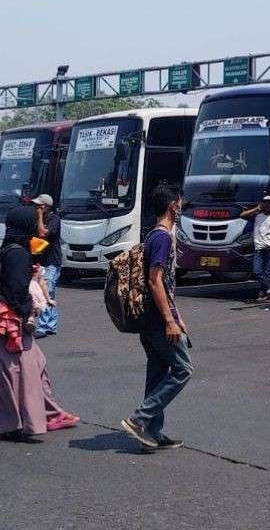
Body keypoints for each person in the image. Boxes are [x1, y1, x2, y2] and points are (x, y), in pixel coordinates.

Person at [0, 205, 79, 442]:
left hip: (5, 324)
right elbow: (16, 291)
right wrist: (30, 309)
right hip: (12, 325)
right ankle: (10, 423)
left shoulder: (9, 249)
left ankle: (46, 414)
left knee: (27, 368)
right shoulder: (18, 254)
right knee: (16, 374)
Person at [121, 184, 192, 452]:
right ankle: (139, 419)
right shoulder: (162, 238)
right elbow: (155, 281)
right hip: (158, 321)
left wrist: (178, 315)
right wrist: (170, 320)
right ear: (173, 205)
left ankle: (152, 432)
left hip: (151, 320)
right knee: (183, 370)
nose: (182, 206)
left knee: (158, 372)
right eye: (180, 202)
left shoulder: (153, 235)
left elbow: (165, 285)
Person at [31, 194, 62, 337]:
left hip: (51, 261)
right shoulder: (38, 218)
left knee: (46, 292)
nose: (37, 208)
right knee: (49, 292)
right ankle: (52, 325)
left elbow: (43, 233)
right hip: (40, 260)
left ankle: (43, 326)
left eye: (39, 206)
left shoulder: (53, 218)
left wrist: (39, 217)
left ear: (46, 206)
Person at [241, 195, 270, 302]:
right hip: (259, 248)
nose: (267, 205)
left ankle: (263, 294)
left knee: (267, 273)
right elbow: (242, 215)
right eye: (264, 203)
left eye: (269, 203)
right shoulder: (257, 216)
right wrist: (256, 208)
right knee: (257, 271)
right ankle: (269, 290)